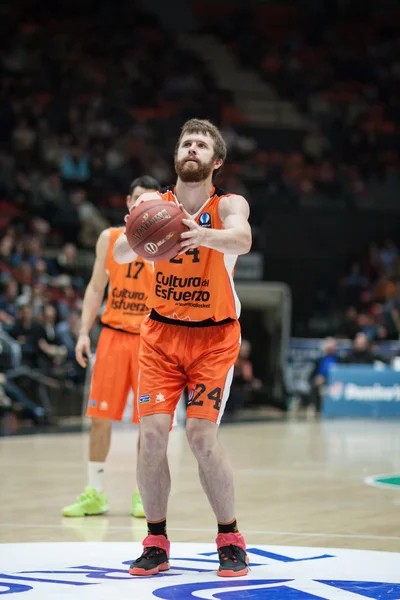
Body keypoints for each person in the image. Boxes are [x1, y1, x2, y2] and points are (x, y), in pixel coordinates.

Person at [114, 119, 252, 577]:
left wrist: (199, 235)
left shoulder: (228, 204)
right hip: (161, 335)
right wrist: (144, 235)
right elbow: (119, 254)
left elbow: (243, 239)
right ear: (176, 156)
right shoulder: (155, 204)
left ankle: (229, 536)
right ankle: (156, 540)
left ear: (216, 161)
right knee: (151, 435)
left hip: (214, 338)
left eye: (201, 144)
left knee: (200, 438)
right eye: (185, 142)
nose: (191, 148)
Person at [62, 175, 160, 518]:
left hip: (150, 339)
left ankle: (142, 493)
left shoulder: (166, 240)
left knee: (147, 424)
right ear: (129, 203)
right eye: (137, 199)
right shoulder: (110, 238)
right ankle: (95, 492)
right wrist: (84, 332)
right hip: (114, 335)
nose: (141, 204)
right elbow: (94, 288)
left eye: (149, 200)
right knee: (99, 418)